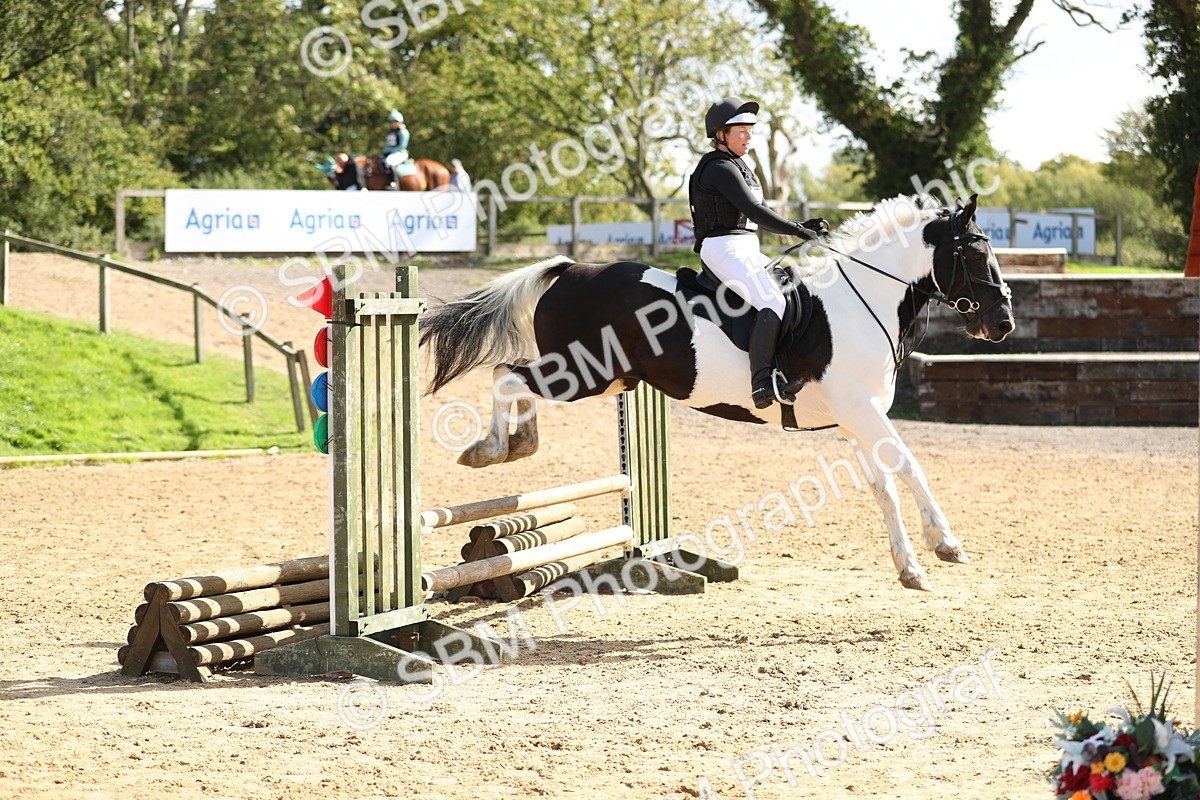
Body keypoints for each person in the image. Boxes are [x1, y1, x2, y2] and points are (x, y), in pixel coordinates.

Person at [688, 96, 828, 409]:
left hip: (745, 245)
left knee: (793, 290)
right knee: (772, 299)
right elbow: (753, 209)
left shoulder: (740, 166)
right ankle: (762, 383)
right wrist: (796, 230)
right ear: (721, 134)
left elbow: (760, 211)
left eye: (751, 130)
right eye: (741, 131)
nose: (749, 136)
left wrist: (801, 225)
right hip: (722, 248)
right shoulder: (718, 168)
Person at [382, 109, 410, 188]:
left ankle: (394, 183)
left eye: (395, 122)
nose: (393, 124)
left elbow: (402, 146)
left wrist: (388, 150)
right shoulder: (391, 132)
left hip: (400, 153)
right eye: (392, 122)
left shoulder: (403, 132)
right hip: (390, 152)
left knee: (389, 162)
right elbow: (388, 144)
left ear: (399, 122)